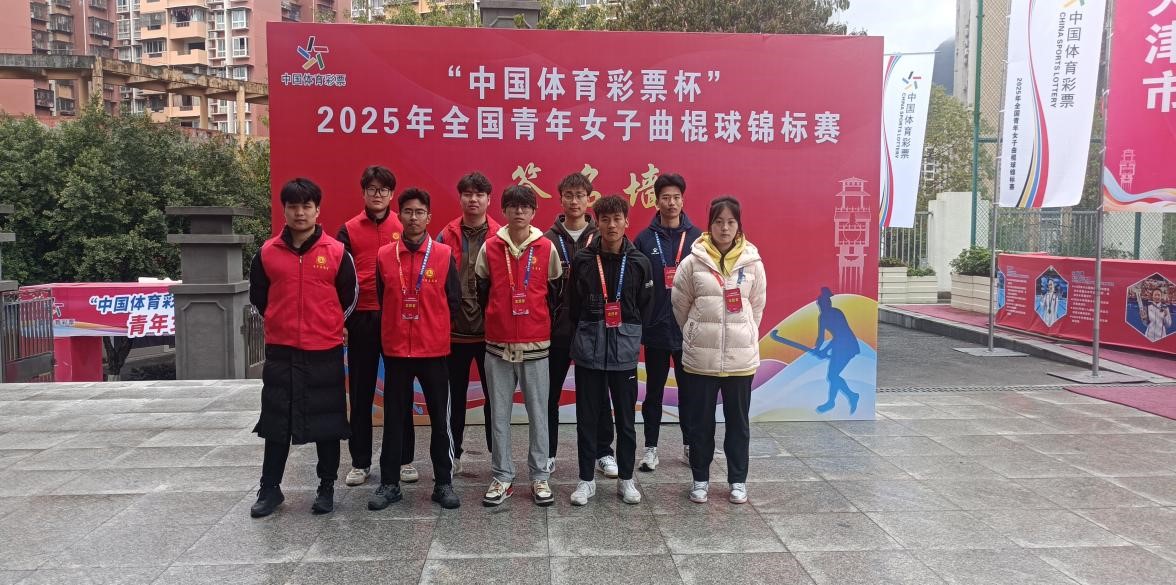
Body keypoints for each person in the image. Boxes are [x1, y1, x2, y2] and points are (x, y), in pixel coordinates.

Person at [248, 178, 358, 517]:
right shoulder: (267, 253)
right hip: (282, 351)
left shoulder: (336, 252)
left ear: (317, 210)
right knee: (276, 421)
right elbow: (259, 297)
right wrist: (280, 321)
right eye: (293, 206)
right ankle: (270, 488)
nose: (300, 212)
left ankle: (326, 487)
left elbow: (349, 297)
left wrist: (328, 325)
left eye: (306, 206)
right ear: (284, 210)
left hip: (324, 350)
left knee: (328, 423)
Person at [368, 188, 462, 510]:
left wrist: (433, 328)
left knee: (440, 421)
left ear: (428, 217)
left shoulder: (444, 255)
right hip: (396, 353)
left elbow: (453, 301)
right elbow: (383, 298)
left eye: (419, 212)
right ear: (400, 216)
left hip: (434, 352)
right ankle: (389, 483)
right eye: (407, 211)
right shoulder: (384, 256)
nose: (413, 217)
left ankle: (443, 482)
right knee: (394, 419)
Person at [672, 196, 766, 506]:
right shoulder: (692, 262)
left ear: (739, 226)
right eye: (718, 222)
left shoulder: (752, 263)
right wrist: (695, 333)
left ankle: (737, 480)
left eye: (730, 222)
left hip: (740, 359)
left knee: (738, 424)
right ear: (709, 225)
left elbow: (757, 307)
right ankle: (700, 480)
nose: (724, 228)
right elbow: (681, 306)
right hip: (702, 359)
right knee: (701, 424)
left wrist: (743, 334)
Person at [474, 185, 563, 507]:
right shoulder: (490, 247)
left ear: (534, 211)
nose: (519, 211)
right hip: (497, 345)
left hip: (536, 343)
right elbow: (483, 289)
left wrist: (536, 322)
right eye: (513, 206)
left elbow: (555, 294)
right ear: (504, 210)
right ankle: (502, 476)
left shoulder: (546, 248)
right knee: (499, 414)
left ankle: (539, 476)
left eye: (525, 206)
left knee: (539, 413)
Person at [566, 195, 654, 506]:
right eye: (605, 219)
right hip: (589, 350)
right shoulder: (583, 260)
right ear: (597, 223)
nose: (612, 225)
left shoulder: (640, 262)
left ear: (626, 221)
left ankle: (626, 480)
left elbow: (645, 307)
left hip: (624, 353)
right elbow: (573, 306)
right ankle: (585, 480)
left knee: (626, 421)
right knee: (587, 419)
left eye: (617, 219)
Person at [336, 165, 416, 488]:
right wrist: (343, 319)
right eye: (372, 189)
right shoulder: (348, 229)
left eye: (383, 189)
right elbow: (340, 279)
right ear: (364, 193)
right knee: (361, 392)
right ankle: (360, 462)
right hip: (361, 318)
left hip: (396, 316)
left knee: (400, 390)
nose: (378, 194)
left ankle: (404, 459)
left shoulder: (404, 225)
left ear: (392, 194)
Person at [544, 172, 616, 477]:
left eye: (580, 195)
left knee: (599, 394)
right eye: (569, 195)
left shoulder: (602, 237)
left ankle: (604, 451)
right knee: (549, 394)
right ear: (560, 199)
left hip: (593, 328)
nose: (574, 201)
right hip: (557, 331)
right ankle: (547, 452)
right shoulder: (547, 240)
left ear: (590, 199)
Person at [632, 173, 701, 471]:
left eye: (676, 197)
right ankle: (650, 448)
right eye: (665, 198)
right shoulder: (644, 239)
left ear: (682, 200)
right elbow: (635, 284)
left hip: (689, 331)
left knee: (689, 392)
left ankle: (689, 446)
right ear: (656, 201)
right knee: (654, 393)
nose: (671, 203)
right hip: (656, 330)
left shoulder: (698, 238)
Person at [436, 172, 501, 473]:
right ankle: (453, 456)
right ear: (460, 198)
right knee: (454, 399)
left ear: (489, 199)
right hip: (454, 332)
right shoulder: (445, 235)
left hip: (491, 334)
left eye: (479, 194)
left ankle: (498, 458)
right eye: (468, 194)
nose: (473, 199)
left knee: (496, 400)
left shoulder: (500, 236)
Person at [813, 287, 861, 414]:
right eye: (819, 305)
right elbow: (821, 337)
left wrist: (824, 350)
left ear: (827, 303)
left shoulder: (836, 313)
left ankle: (850, 396)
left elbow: (840, 334)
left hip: (848, 345)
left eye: (821, 304)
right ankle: (834, 401)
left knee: (832, 375)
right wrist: (817, 349)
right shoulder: (822, 317)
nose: (820, 307)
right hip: (838, 346)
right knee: (833, 375)